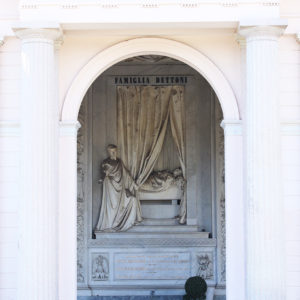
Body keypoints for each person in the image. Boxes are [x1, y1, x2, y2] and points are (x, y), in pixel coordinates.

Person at [95, 144, 141, 232]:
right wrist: (102, 178)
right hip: (111, 187)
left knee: (132, 199)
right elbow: (104, 173)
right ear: (108, 152)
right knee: (112, 206)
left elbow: (126, 173)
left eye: (115, 151)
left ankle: (128, 222)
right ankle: (109, 224)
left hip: (121, 188)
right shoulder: (106, 162)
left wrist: (134, 184)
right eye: (112, 151)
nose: (114, 153)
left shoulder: (119, 161)